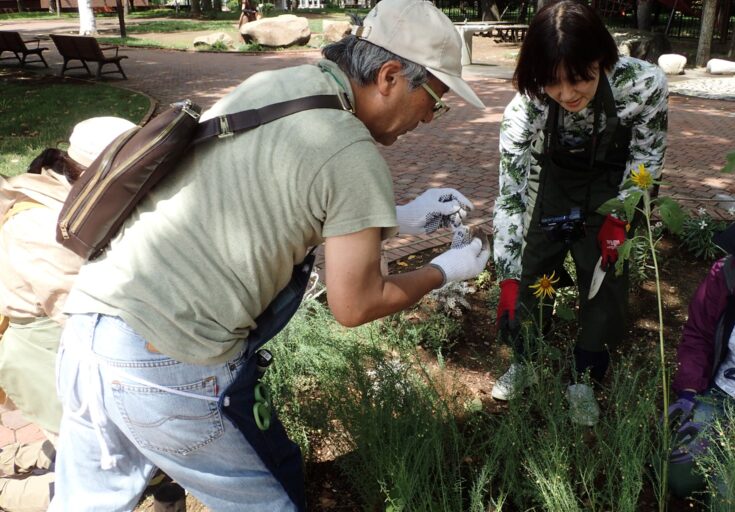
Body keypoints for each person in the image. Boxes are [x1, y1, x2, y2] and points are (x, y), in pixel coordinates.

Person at [50, 1, 489, 510]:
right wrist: (443, 271)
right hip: (168, 362)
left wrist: (398, 215)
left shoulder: (279, 86)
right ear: (390, 76)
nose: (432, 116)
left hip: (89, 329)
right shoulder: (352, 151)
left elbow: (276, 191)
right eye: (434, 97)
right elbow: (355, 304)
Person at [489, 0, 668, 425]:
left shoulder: (642, 85)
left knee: (604, 279)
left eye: (580, 79)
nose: (568, 95)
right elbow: (511, 193)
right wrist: (508, 274)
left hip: (612, 187)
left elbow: (647, 157)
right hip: (551, 184)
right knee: (533, 270)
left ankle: (585, 376)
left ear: (601, 58)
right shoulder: (526, 105)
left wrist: (620, 217)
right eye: (554, 83)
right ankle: (527, 359)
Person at [0, 117, 136, 512]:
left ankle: (34, 457)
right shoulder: (40, 223)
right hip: (44, 353)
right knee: (102, 473)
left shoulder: (72, 195)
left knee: (85, 443)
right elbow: (79, 309)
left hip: (63, 344)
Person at [666, 179, 735, 499]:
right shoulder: (729, 274)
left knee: (731, 495)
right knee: (680, 476)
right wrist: (689, 390)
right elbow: (698, 335)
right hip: (731, 389)